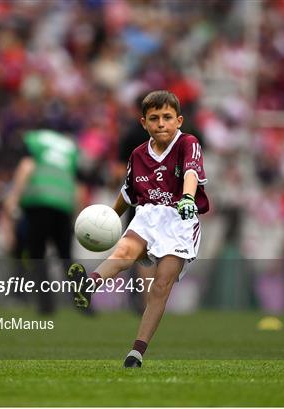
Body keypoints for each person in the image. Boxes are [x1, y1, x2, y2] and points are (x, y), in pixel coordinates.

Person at [67, 90, 209, 367]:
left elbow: (191, 174)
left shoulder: (188, 143)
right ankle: (88, 284)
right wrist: (110, 215)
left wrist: (188, 198)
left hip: (179, 219)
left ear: (178, 120)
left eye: (167, 117)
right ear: (143, 123)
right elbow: (128, 193)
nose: (161, 123)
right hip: (148, 215)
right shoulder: (137, 154)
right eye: (154, 118)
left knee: (161, 285)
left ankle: (137, 351)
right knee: (124, 252)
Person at [4, 128, 84, 315]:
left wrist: (13, 197)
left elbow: (26, 166)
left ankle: (46, 305)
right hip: (64, 202)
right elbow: (77, 184)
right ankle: (84, 303)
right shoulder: (69, 148)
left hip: (39, 200)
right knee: (66, 256)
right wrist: (77, 213)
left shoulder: (33, 139)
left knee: (37, 255)